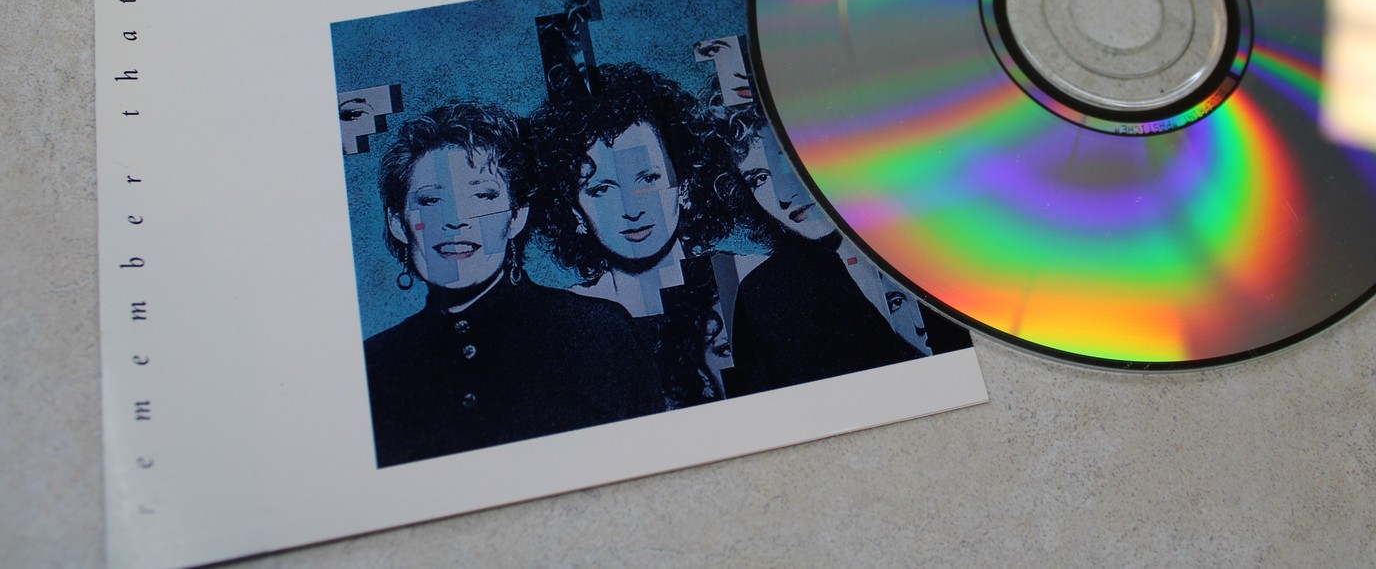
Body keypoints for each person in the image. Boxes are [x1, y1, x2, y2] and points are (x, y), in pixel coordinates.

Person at [362, 101, 663, 468]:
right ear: (398, 223)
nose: (456, 221)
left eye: (482, 196)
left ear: (517, 216)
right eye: (431, 200)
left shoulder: (598, 332)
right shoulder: (373, 366)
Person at [719, 99, 968, 394]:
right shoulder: (763, 296)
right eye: (759, 179)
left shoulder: (939, 231)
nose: (783, 197)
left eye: (786, 161)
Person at [530, 62, 739, 409]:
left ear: (684, 185)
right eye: (602, 189)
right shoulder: (562, 325)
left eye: (648, 178)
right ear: (575, 212)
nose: (631, 209)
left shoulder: (744, 280)